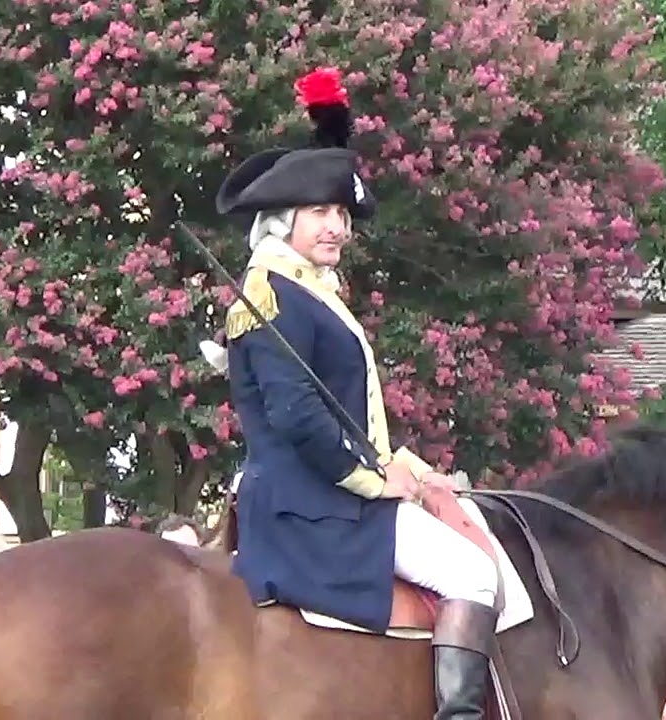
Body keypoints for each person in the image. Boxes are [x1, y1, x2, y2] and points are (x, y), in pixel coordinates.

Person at [209, 65, 501, 720]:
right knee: (474, 576)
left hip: (326, 496)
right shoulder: (271, 293)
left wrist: (415, 471)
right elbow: (298, 416)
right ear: (282, 222)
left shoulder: (310, 292)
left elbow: (349, 419)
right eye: (319, 212)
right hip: (312, 507)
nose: (337, 226)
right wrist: (378, 482)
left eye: (342, 212)